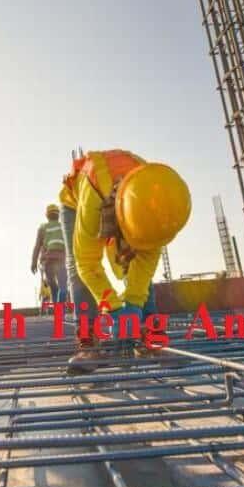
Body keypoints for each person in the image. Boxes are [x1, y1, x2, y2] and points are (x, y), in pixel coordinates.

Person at [59, 149, 191, 375]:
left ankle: (151, 339)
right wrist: (113, 308)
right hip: (78, 200)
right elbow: (87, 263)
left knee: (135, 261)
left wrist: (133, 305)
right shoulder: (94, 197)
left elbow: (144, 265)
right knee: (75, 266)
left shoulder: (158, 204)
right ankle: (88, 345)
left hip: (126, 200)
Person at [31, 204, 68, 306]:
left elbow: (37, 246)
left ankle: (58, 311)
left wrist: (34, 262)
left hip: (47, 261)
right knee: (63, 287)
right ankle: (60, 306)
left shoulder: (43, 228)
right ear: (58, 215)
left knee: (53, 288)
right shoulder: (63, 226)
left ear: (47, 215)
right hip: (61, 260)